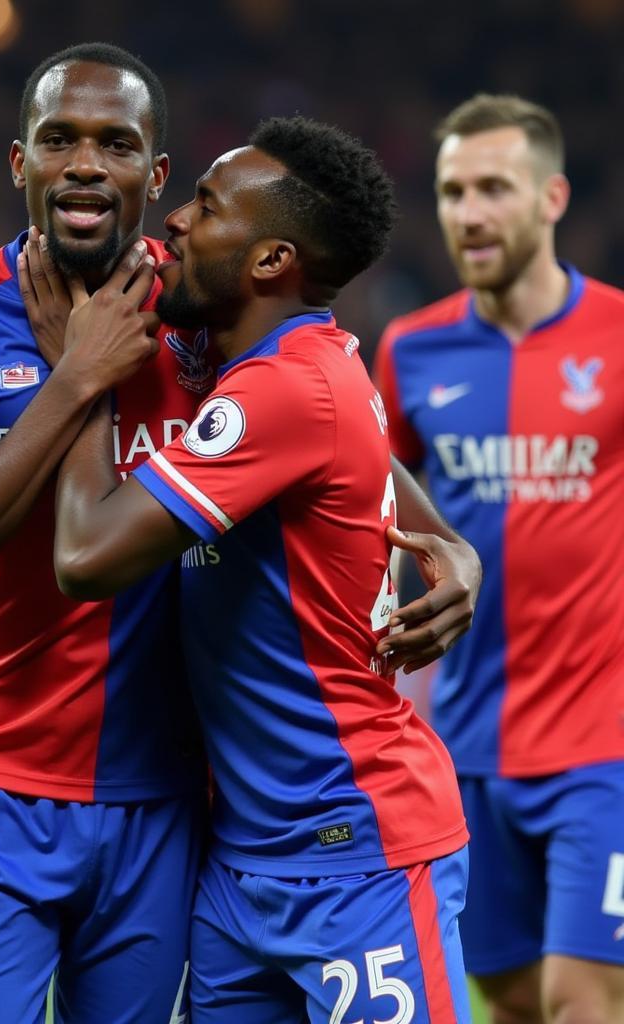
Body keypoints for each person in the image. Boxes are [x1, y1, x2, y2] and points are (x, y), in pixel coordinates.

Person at [0, 44, 479, 1023]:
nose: (84, 164)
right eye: (58, 140)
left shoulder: (195, 300)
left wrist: (449, 540)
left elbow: (321, 415)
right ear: (18, 162)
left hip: (167, 804)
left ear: (153, 176)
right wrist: (73, 380)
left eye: (114, 143)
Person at [45, 115, 474, 1021]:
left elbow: (84, 557)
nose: (174, 222)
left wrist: (79, 379)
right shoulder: (286, 365)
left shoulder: (285, 386)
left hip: (360, 852)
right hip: (241, 864)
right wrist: (460, 549)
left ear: (270, 262)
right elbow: (354, 452)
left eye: (204, 206)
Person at [373, 94, 624, 1024]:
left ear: (551, 196)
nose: (469, 212)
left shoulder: (619, 336)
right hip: (468, 745)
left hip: (604, 746)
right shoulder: (411, 348)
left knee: (582, 998)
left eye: (494, 188)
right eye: (451, 191)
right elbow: (371, 515)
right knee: (509, 1001)